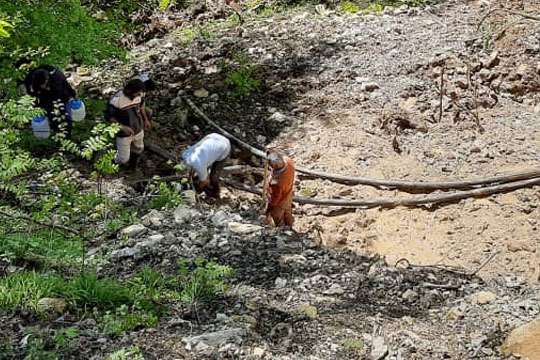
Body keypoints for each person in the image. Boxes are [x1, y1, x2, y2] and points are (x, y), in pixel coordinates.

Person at [105, 79, 152, 170]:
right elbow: (109, 117)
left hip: (138, 128)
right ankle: (109, 162)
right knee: (123, 159)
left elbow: (141, 107)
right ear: (129, 91)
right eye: (137, 94)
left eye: (140, 94)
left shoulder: (139, 96)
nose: (139, 96)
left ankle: (132, 168)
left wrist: (146, 120)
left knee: (138, 149)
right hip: (124, 134)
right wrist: (122, 127)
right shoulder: (116, 100)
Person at [24, 65, 77, 136]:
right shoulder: (30, 79)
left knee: (62, 111)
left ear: (47, 79)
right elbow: (31, 94)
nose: (44, 87)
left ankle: (66, 133)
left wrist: (72, 94)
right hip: (43, 95)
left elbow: (65, 87)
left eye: (44, 85)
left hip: (58, 93)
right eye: (42, 85)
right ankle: (52, 128)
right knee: (47, 111)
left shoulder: (57, 77)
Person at [182, 133, 231, 199]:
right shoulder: (185, 155)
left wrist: (198, 190)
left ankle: (216, 194)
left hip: (225, 146)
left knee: (213, 177)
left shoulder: (199, 165)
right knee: (202, 172)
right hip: (212, 137)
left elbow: (205, 181)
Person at [263, 149, 295, 228]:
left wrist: (269, 209)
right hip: (288, 194)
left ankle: (285, 232)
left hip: (279, 202)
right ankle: (290, 226)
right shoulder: (289, 161)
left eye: (271, 164)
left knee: (278, 218)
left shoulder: (276, 182)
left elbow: (274, 199)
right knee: (288, 212)